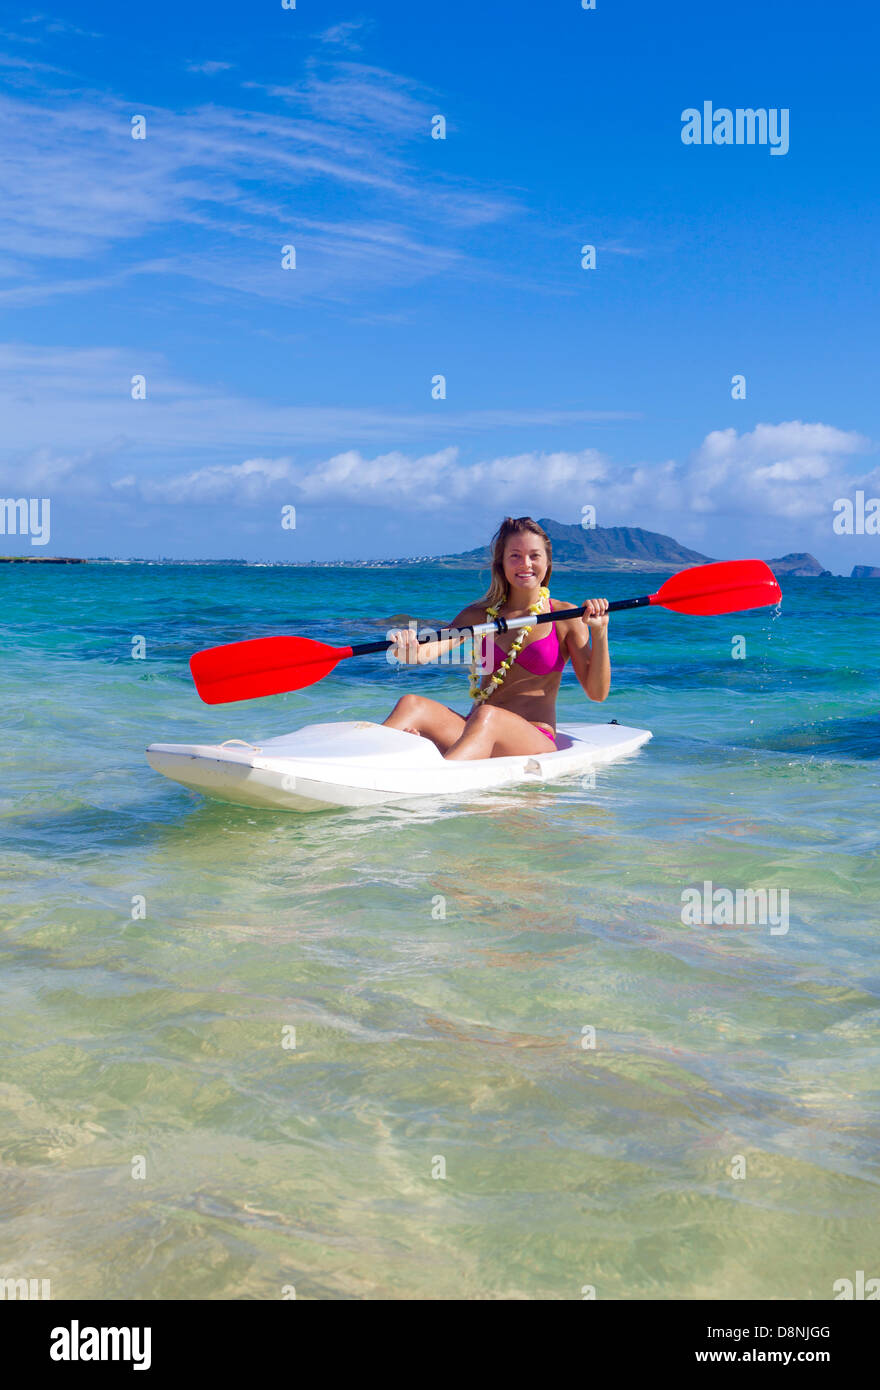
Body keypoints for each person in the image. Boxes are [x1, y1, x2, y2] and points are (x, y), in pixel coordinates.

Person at [382, 516, 610, 760]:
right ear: (501, 563)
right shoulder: (479, 615)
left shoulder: (565, 616)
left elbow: (597, 693)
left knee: (487, 715)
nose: (525, 564)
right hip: (477, 728)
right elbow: (427, 651)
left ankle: (439, 776)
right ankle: (367, 762)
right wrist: (405, 649)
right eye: (515, 556)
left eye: (534, 556)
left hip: (533, 737)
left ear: (547, 562)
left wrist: (600, 631)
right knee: (411, 704)